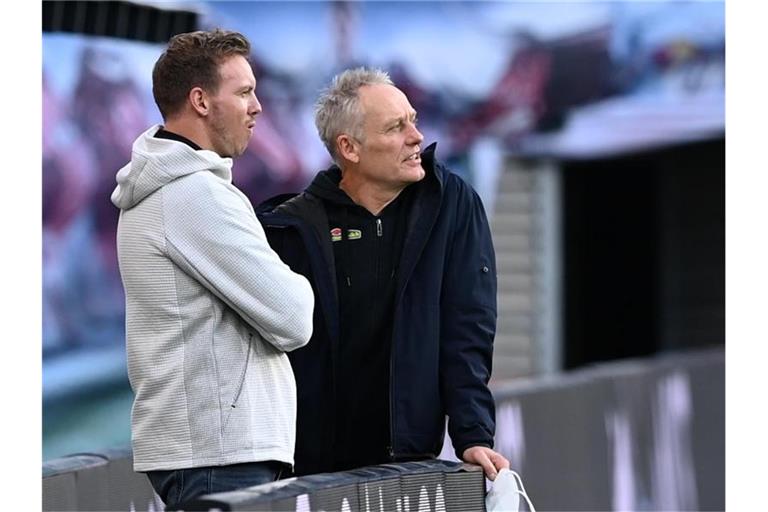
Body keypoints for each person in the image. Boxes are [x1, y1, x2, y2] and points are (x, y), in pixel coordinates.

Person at [257, 67, 509, 479]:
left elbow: (468, 329)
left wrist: (474, 435)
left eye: (413, 120)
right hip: (310, 470)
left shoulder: (452, 203)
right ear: (350, 148)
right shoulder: (289, 228)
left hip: (409, 465)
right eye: (396, 128)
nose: (416, 138)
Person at [110, 29, 314, 507]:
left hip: (213, 453)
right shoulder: (194, 196)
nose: (257, 106)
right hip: (218, 457)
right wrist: (301, 283)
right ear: (200, 101)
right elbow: (294, 317)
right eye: (243, 92)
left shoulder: (180, 188)